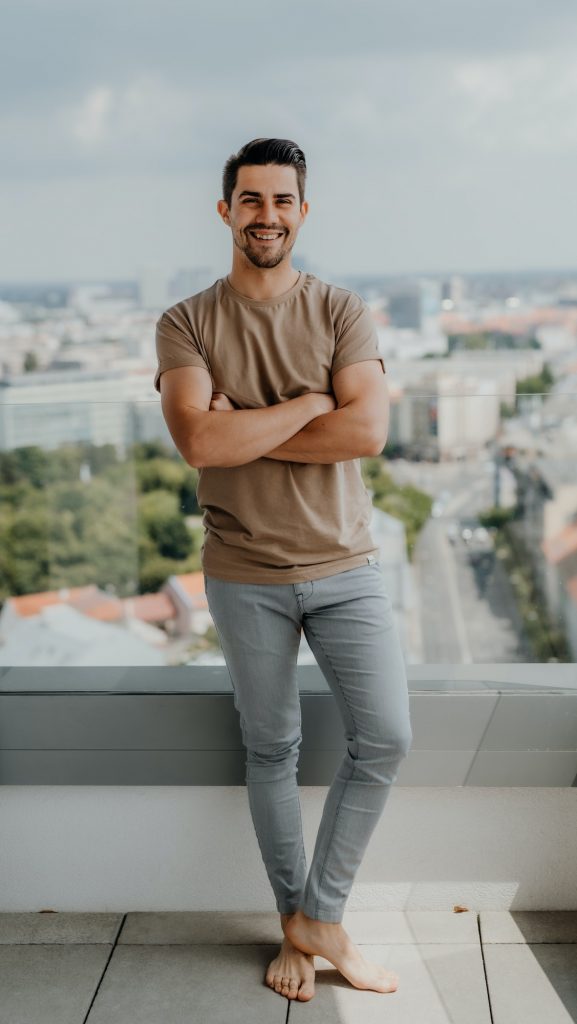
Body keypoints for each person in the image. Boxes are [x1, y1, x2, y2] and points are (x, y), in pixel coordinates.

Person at [154, 138, 413, 1003]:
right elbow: (199, 441)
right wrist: (312, 401)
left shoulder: (342, 311)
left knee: (386, 737)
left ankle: (320, 918)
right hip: (242, 572)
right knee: (272, 748)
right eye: (252, 200)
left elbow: (366, 434)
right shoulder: (186, 322)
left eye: (282, 201)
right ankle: (291, 925)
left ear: (303, 211)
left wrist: (253, 422)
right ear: (225, 210)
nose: (267, 215)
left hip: (346, 565)